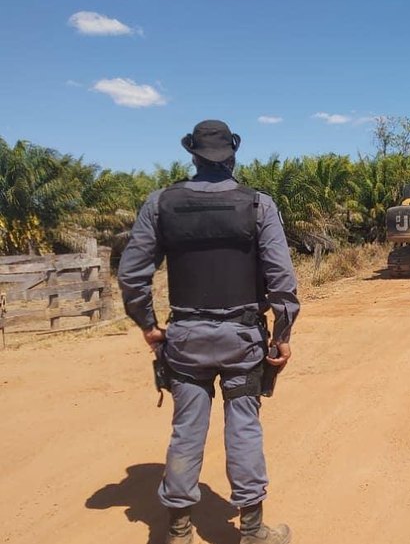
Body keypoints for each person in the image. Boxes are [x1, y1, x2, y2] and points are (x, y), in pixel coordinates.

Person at [118, 120, 300, 544]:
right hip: (242, 341)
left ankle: (178, 534)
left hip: (185, 341)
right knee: (244, 428)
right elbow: (281, 281)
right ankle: (253, 532)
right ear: (232, 156)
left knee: (186, 430)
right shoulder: (258, 205)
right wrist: (282, 334)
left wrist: (149, 326)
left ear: (194, 156)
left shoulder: (161, 203)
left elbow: (132, 276)